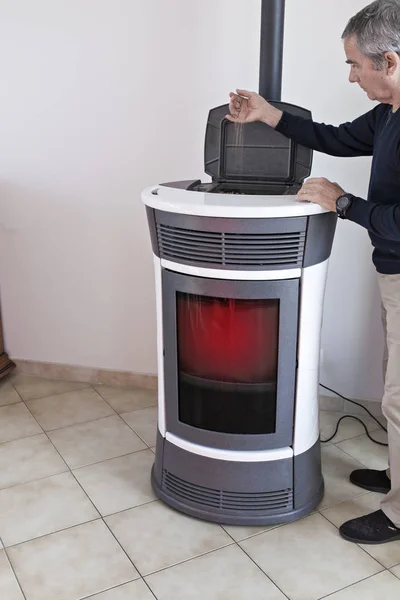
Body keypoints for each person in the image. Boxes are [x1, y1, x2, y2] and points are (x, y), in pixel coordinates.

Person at [227, 0, 400, 545]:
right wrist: (267, 112)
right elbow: (335, 137)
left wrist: (343, 203)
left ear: (389, 61)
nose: (351, 76)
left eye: (355, 65)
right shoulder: (389, 113)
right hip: (392, 268)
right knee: (394, 380)